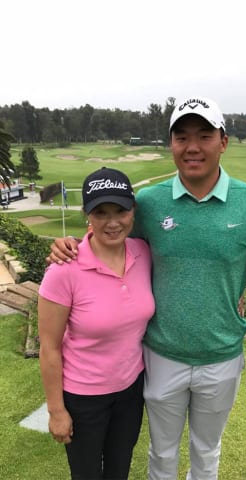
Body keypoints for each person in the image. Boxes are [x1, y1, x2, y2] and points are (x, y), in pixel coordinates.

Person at [49, 96, 246, 479]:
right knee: (162, 454)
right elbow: (109, 236)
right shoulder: (150, 203)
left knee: (207, 454)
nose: (192, 147)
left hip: (221, 357)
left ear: (223, 142)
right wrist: (69, 244)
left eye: (204, 136)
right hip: (160, 356)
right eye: (182, 137)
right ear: (170, 144)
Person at [39, 167, 154, 479]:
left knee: (119, 470)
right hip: (83, 397)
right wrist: (56, 411)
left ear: (133, 210)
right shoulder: (63, 270)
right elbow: (48, 348)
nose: (113, 222)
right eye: (101, 212)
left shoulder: (142, 252)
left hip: (131, 391)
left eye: (121, 210)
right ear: (86, 214)